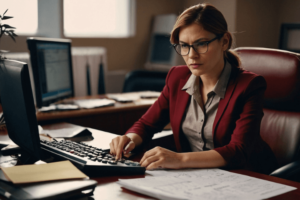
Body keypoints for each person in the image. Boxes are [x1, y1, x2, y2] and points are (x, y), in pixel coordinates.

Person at [110, 3, 278, 174]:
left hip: (248, 176)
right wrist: (128, 139)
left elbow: (238, 151)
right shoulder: (177, 77)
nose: (191, 55)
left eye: (201, 44)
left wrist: (179, 159)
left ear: (224, 41)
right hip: (195, 177)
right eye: (184, 46)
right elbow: (146, 124)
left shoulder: (249, 85)